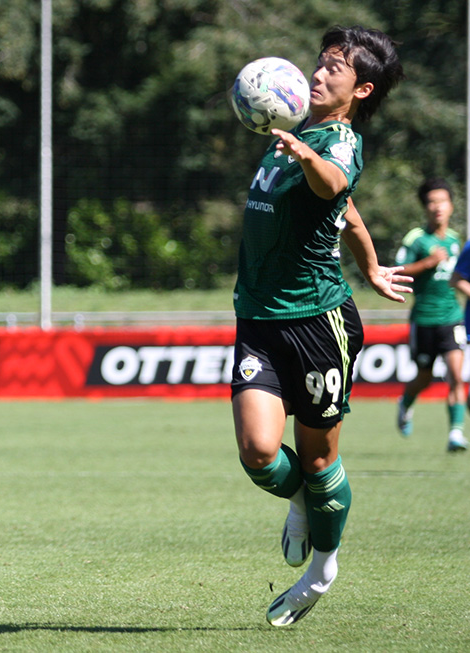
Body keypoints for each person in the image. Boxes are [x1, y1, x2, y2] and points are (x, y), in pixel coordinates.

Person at [231, 25, 406, 627]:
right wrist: (373, 265)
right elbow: (348, 213)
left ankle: (322, 568)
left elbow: (335, 184)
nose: (320, 72)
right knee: (258, 453)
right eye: (322, 61)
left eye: (337, 67)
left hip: (315, 323)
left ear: (362, 89)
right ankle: (304, 501)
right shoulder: (298, 132)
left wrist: (308, 156)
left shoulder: (340, 143)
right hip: (256, 316)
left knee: (319, 458)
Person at [394, 178, 468, 451]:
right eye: (432, 202)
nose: (438, 207)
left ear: (450, 205)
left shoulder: (455, 240)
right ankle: (406, 403)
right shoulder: (416, 238)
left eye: (443, 201)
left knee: (456, 375)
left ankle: (456, 434)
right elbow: (398, 271)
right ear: (425, 207)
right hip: (424, 318)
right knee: (423, 378)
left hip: (452, 316)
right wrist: (427, 263)